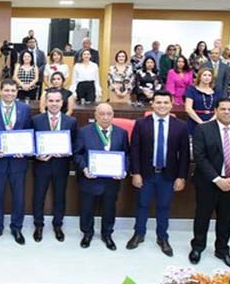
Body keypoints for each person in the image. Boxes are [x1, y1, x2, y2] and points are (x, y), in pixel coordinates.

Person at [189, 98, 230, 271]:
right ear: (216, 110)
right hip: (208, 183)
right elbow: (199, 156)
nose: (227, 112)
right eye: (223, 109)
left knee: (225, 219)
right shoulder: (203, 129)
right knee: (202, 217)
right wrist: (217, 179)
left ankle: (222, 250)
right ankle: (198, 247)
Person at [128, 91, 189, 255]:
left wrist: (181, 177)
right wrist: (135, 172)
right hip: (145, 174)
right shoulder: (141, 124)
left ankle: (162, 237)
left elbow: (184, 154)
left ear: (171, 104)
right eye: (158, 102)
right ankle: (139, 234)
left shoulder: (181, 126)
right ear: (152, 104)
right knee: (142, 205)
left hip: (168, 175)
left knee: (164, 207)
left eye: (165, 102)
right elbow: (134, 150)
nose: (162, 106)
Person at [74, 103, 129, 250]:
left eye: (108, 114)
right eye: (101, 114)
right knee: (86, 208)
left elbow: (127, 155)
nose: (105, 117)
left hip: (111, 181)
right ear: (95, 115)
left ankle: (107, 234)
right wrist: (84, 168)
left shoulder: (121, 133)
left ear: (113, 115)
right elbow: (77, 154)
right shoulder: (84, 132)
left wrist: (124, 170)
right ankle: (87, 233)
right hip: (89, 179)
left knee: (109, 209)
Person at [0, 79, 33, 245]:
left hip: (18, 161)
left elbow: (28, 131)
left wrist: (24, 149)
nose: (9, 93)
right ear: (0, 91)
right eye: (6, 90)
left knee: (19, 196)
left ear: (17, 92)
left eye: (13, 91)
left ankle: (17, 227)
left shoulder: (24, 108)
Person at [31, 89, 76, 242]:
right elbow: (31, 142)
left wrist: (67, 153)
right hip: (41, 165)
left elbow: (75, 144)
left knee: (60, 196)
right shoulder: (36, 120)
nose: (54, 104)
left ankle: (58, 225)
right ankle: (38, 225)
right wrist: (36, 154)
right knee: (39, 196)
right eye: (51, 101)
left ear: (62, 103)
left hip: (61, 165)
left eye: (57, 101)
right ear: (46, 102)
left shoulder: (71, 121)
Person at [184, 68, 220, 136]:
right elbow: (188, 108)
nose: (207, 77)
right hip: (195, 120)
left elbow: (219, 108)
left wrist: (210, 122)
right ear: (200, 76)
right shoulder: (191, 89)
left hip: (212, 121)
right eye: (204, 75)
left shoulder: (216, 91)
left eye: (209, 75)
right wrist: (201, 123)